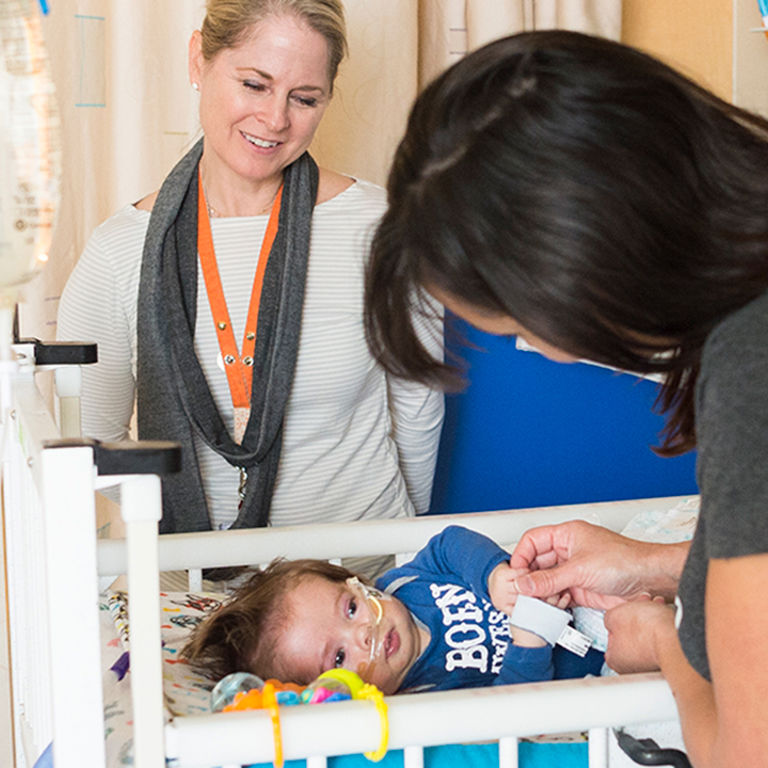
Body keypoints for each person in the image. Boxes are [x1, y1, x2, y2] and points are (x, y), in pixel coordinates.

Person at [363, 28, 768, 767]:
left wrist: (667, 649)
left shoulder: (750, 367)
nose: (551, 354)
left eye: (526, 325)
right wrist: (650, 564)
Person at [56, 0, 443, 545]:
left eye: (304, 98)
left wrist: (403, 548)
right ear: (198, 61)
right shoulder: (120, 250)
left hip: (366, 581)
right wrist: (188, 541)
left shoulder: (382, 228)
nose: (276, 119)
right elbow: (92, 437)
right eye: (254, 85)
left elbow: (418, 410)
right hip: (201, 594)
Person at [181, 524, 604, 694]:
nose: (364, 632)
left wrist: (494, 575)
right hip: (604, 674)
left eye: (349, 608)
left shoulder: (403, 584)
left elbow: (450, 544)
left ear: (357, 583)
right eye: (340, 657)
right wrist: (529, 640)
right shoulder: (421, 696)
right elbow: (509, 711)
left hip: (589, 600)